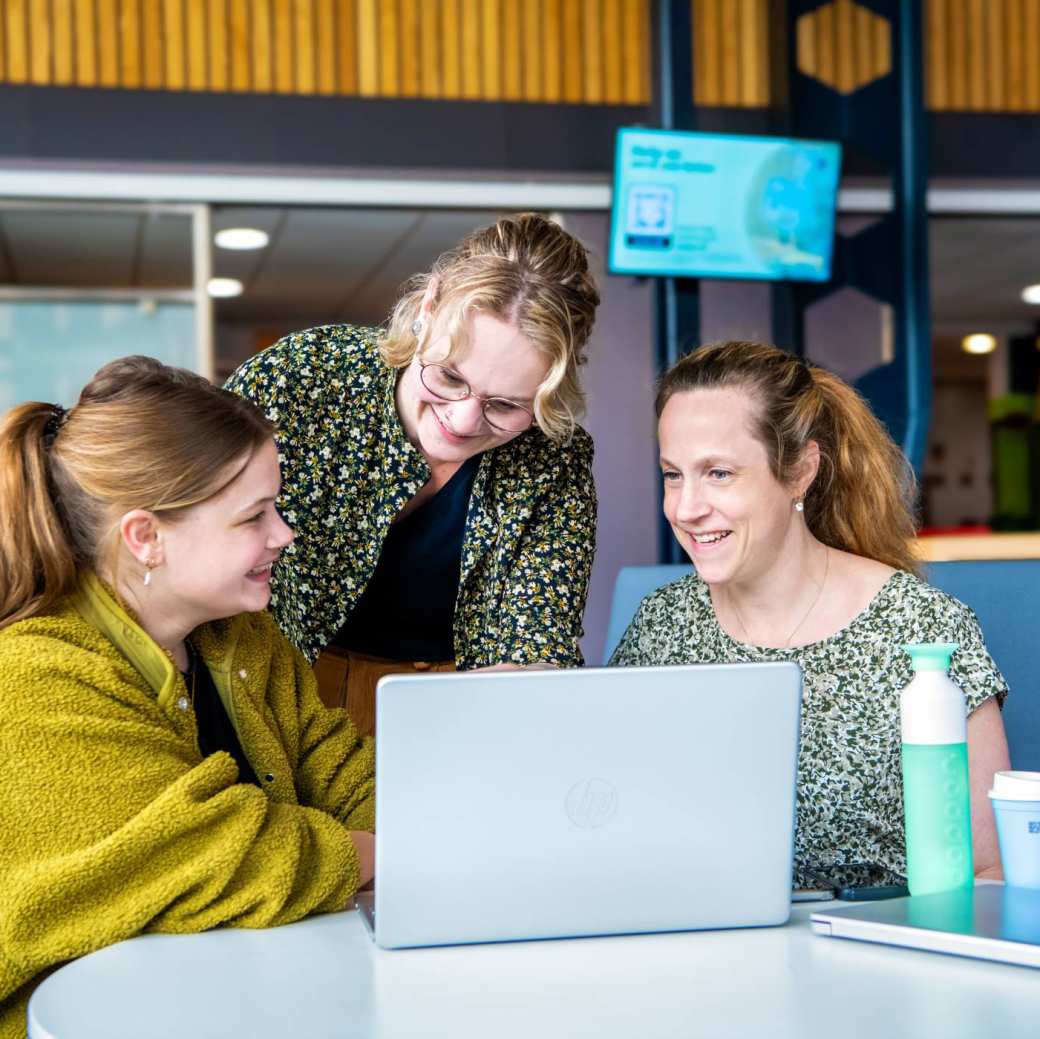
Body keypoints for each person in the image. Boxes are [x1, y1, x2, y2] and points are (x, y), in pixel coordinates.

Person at [0, 358, 375, 1038]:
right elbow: (220, 853)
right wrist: (386, 855)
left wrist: (426, 830)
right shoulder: (32, 679)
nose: (284, 533)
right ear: (146, 537)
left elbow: (344, 772)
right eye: (254, 515)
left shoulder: (247, 641)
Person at [609, 340, 1011, 889]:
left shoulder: (920, 629)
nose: (685, 508)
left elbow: (988, 874)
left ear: (799, 470)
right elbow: (613, 822)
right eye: (673, 475)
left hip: (879, 955)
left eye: (719, 474)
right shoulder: (662, 624)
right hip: (707, 949)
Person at [225, 213, 600, 733]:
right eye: (449, 376)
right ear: (428, 306)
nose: (464, 420)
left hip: (456, 702)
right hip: (282, 688)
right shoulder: (302, 378)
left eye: (507, 406)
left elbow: (531, 647)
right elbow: (208, 551)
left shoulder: (553, 457)